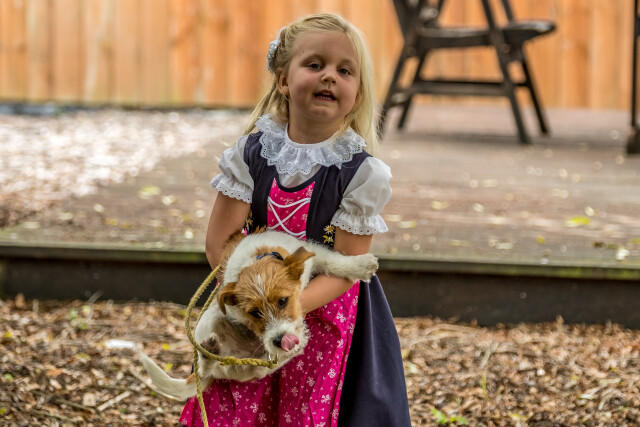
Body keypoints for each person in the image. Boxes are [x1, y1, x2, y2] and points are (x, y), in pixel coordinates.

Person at [180, 13, 411, 427]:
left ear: (358, 93)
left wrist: (286, 310)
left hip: (321, 309)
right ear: (284, 80)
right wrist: (254, 309)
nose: (330, 77)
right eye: (315, 64)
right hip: (251, 307)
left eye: (345, 71)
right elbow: (219, 244)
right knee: (236, 400)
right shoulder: (251, 155)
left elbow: (347, 265)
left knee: (304, 408)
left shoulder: (360, 173)